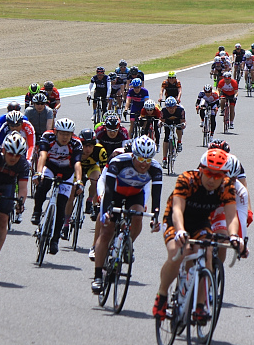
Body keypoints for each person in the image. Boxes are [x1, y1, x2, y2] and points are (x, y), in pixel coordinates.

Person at [152, 149, 243, 320]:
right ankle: (162, 296)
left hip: (201, 221)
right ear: (201, 169)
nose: (212, 179)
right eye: (208, 173)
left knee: (207, 252)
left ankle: (200, 305)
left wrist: (234, 237)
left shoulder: (226, 186)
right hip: (176, 219)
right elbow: (177, 209)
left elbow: (232, 217)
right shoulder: (186, 179)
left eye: (218, 175)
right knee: (177, 252)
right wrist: (180, 230)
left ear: (224, 175)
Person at [91, 136, 163, 293]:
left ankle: (127, 243)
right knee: (106, 232)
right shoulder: (119, 162)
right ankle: (97, 276)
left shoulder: (156, 168)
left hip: (134, 194)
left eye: (148, 159)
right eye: (140, 158)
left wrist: (155, 216)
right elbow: (108, 189)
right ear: (133, 155)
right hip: (115, 193)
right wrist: (107, 210)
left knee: (138, 214)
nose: (144, 163)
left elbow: (156, 197)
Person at [31, 118, 84, 256]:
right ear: (56, 132)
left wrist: (79, 181)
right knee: (43, 185)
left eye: (68, 134)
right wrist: (38, 172)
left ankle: (54, 240)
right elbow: (42, 155)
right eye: (62, 134)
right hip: (50, 167)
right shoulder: (47, 137)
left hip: (67, 172)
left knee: (61, 206)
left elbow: (77, 163)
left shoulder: (76, 143)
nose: (65, 137)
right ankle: (37, 211)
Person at [0, 133, 30, 272]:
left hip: (7, 185)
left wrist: (20, 203)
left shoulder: (23, 164)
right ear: (3, 150)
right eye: (10, 154)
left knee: (3, 219)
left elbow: (23, 188)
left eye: (17, 155)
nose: (13, 158)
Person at [65, 129, 108, 233]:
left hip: (91, 167)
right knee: (71, 194)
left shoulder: (101, 151)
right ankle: (66, 222)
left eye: (90, 146)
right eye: (85, 145)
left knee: (97, 179)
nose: (87, 149)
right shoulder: (75, 148)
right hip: (76, 169)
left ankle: (89, 200)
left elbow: (103, 174)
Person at [160, 97, 186, 166]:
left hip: (177, 121)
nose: (171, 109)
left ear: (175, 106)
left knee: (179, 128)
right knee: (166, 138)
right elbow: (161, 120)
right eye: (169, 108)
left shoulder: (180, 110)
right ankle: (164, 159)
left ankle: (179, 142)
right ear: (166, 107)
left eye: (172, 107)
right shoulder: (163, 111)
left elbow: (183, 121)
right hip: (168, 122)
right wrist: (159, 123)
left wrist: (183, 125)